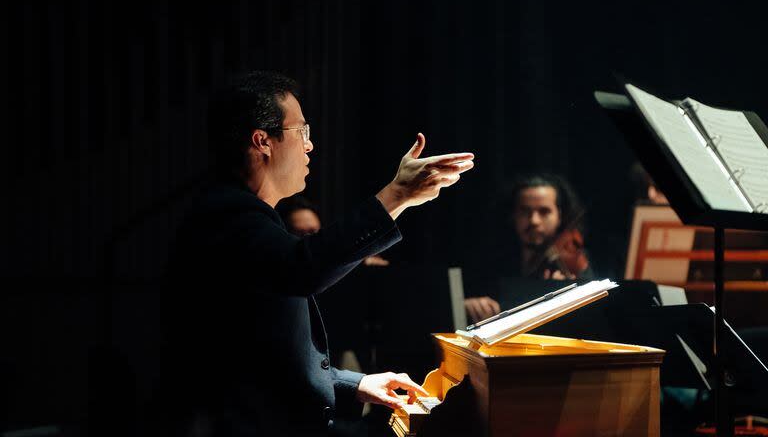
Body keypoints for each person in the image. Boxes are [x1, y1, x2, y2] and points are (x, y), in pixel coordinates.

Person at [164, 71, 474, 436]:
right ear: (262, 141)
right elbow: (302, 269)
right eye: (302, 132)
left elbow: (262, 353)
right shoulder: (226, 215)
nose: (310, 146)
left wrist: (352, 383)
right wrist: (396, 196)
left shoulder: (244, 215)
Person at [464, 173, 594, 323]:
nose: (534, 220)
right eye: (525, 211)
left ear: (560, 215)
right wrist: (466, 305)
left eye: (544, 211)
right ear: (513, 215)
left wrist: (568, 293)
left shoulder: (575, 260)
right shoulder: (490, 258)